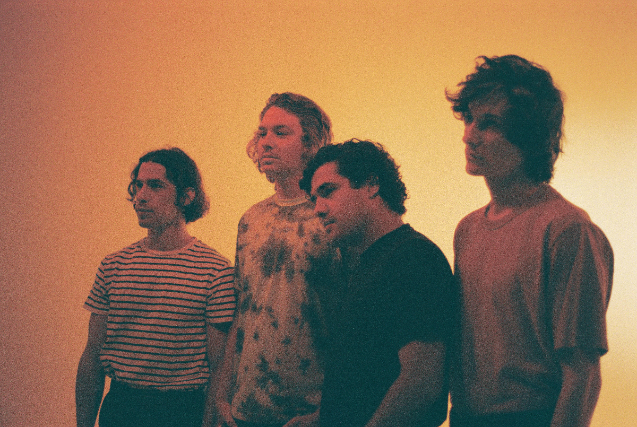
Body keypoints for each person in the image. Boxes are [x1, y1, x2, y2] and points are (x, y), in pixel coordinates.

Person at [445, 55, 614, 427]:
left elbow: (582, 372)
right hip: (466, 417)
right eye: (469, 118)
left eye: (489, 123)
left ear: (529, 136)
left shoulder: (568, 229)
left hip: (532, 416)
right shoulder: (467, 229)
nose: (469, 135)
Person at [299, 139, 457, 427]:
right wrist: (320, 419)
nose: (318, 209)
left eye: (328, 191)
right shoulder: (366, 263)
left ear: (372, 185)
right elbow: (366, 373)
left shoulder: (414, 257)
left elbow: (421, 382)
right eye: (314, 199)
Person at [75, 147, 236, 427]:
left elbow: (219, 367)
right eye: (138, 185)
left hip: (181, 410)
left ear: (186, 196)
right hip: (122, 406)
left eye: (155, 186)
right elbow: (92, 356)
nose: (141, 196)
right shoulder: (114, 265)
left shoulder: (215, 271)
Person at [215, 93, 337, 427]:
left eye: (281, 132)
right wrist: (222, 396)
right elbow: (242, 310)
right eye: (262, 132)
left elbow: (350, 321)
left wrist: (327, 412)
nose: (266, 142)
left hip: (307, 409)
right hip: (246, 408)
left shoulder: (329, 216)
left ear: (310, 143)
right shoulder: (251, 219)